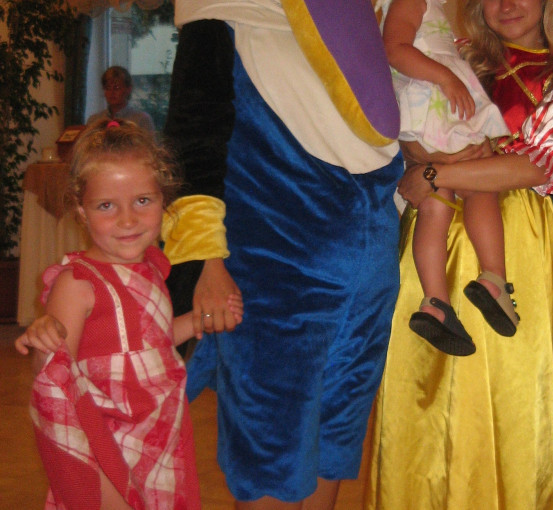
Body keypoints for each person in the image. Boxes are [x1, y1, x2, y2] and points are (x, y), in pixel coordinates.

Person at [160, 1, 403, 508]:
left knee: (334, 437)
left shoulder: (357, 12)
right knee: (269, 448)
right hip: (274, 270)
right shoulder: (221, 11)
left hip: (367, 273)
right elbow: (193, 140)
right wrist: (206, 261)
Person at [365, 0, 553, 507]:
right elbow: (403, 121)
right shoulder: (455, 57)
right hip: (432, 232)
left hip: (513, 242)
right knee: (426, 385)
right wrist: (419, 161)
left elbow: (534, 168)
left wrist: (435, 173)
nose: (507, 4)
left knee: (506, 388)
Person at [13, 119, 243, 509]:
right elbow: (53, 375)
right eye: (107, 205)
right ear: (81, 211)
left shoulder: (152, 267)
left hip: (156, 436)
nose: (128, 219)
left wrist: (201, 320)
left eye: (143, 201)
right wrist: (44, 337)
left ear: (163, 199)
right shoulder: (78, 283)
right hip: (107, 443)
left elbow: (154, 343)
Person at [382, 0, 516, 356]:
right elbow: (394, 49)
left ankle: (436, 303)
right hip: (435, 103)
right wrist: (446, 77)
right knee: (479, 185)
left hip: (425, 108)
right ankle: (494, 278)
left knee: (435, 205)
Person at [87, 66, 156, 134]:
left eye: (116, 88)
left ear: (128, 89)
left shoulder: (141, 120)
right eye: (108, 88)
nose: (111, 92)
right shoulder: (94, 121)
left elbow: (149, 141)